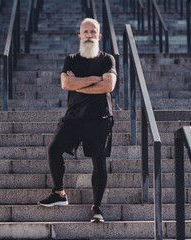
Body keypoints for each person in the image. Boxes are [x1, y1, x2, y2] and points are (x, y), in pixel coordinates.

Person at [38, 18, 117, 223]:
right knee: (53, 149)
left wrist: (78, 84)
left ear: (99, 36)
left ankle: (97, 207)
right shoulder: (71, 59)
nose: (89, 35)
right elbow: (65, 83)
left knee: (98, 161)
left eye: (93, 32)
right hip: (73, 118)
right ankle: (59, 193)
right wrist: (93, 79)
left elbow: (108, 86)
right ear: (79, 36)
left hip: (99, 118)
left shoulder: (107, 59)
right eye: (86, 32)